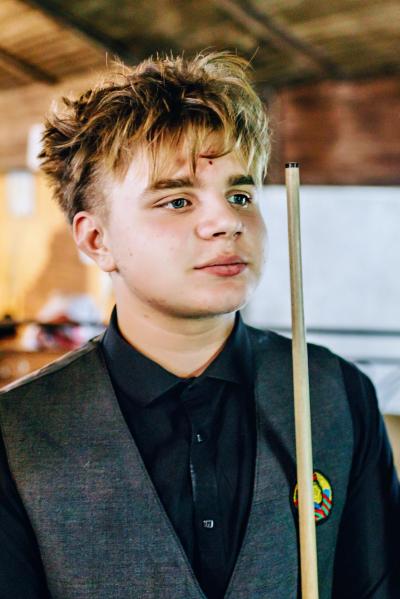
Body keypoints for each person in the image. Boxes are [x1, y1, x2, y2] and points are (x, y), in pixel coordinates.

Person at [0, 51, 398, 599]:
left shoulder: (334, 394)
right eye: (177, 200)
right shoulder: (18, 432)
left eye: (240, 195)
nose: (226, 221)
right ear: (96, 239)